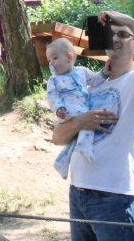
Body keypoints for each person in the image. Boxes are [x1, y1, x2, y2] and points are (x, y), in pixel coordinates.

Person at [51, 11, 134, 241]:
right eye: (111, 34)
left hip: (115, 197)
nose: (115, 39)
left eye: (123, 35)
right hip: (78, 193)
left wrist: (132, 22)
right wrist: (80, 121)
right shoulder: (87, 83)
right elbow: (57, 136)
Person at [45, 38, 109, 179]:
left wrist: (104, 72)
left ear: (69, 57)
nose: (51, 63)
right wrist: (58, 108)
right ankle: (85, 147)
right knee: (88, 122)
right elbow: (52, 97)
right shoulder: (53, 80)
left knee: (76, 137)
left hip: (82, 107)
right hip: (67, 111)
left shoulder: (82, 72)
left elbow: (95, 81)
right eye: (49, 60)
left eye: (55, 58)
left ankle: (62, 162)